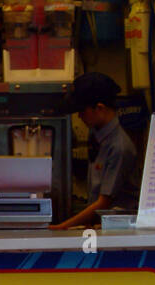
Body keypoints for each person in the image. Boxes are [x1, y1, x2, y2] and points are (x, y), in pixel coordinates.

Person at [50, 72, 140, 229]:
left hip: (117, 229)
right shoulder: (98, 137)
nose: (79, 115)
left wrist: (61, 227)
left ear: (99, 108)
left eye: (82, 111)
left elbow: (104, 202)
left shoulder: (119, 147)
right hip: (99, 225)